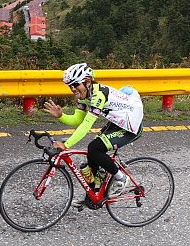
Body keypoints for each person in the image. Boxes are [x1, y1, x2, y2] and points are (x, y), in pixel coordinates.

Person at [43, 63, 144, 197]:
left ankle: (121, 178)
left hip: (131, 126)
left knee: (94, 148)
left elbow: (86, 125)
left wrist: (66, 145)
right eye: (70, 86)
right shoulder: (84, 96)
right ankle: (92, 195)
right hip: (116, 123)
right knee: (92, 156)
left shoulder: (98, 95)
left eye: (75, 84)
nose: (72, 89)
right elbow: (78, 120)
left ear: (88, 81)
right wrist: (61, 116)